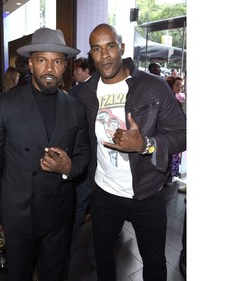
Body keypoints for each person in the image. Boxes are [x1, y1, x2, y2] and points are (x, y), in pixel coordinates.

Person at [74, 23, 186, 281]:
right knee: (103, 256)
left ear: (122, 48)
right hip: (104, 192)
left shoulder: (153, 87)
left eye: (110, 46)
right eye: (97, 49)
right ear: (91, 55)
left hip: (147, 193)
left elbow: (182, 134)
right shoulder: (85, 93)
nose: (104, 55)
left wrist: (145, 144)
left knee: (155, 262)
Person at [0, 27, 91, 281]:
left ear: (64, 66)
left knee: (55, 273)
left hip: (59, 212)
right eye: (42, 60)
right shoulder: (4, 104)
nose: (49, 69)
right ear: (30, 63)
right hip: (18, 214)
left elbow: (84, 153)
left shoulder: (75, 108)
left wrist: (69, 167)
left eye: (57, 61)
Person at [67, 54, 97, 269]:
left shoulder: (75, 92)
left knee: (79, 212)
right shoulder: (77, 92)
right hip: (90, 166)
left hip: (90, 166)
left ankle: (67, 257)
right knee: (91, 213)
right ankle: (95, 257)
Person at [164, 75, 186, 188]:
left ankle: (168, 177)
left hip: (174, 135)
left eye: (180, 86)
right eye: (176, 85)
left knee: (172, 157)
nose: (179, 88)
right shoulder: (168, 100)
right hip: (168, 134)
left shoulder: (175, 99)